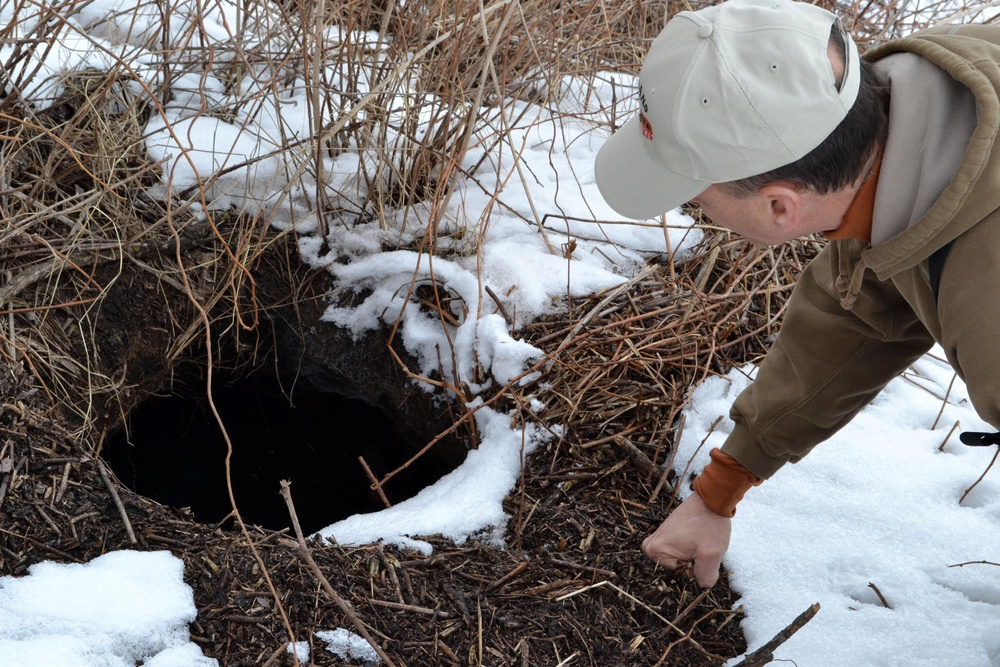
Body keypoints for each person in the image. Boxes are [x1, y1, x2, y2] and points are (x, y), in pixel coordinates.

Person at [595, 0, 1000, 588]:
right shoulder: (918, 121)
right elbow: (858, 313)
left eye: (699, 202)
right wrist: (718, 492)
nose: (699, 216)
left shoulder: (987, 292)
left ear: (780, 206)